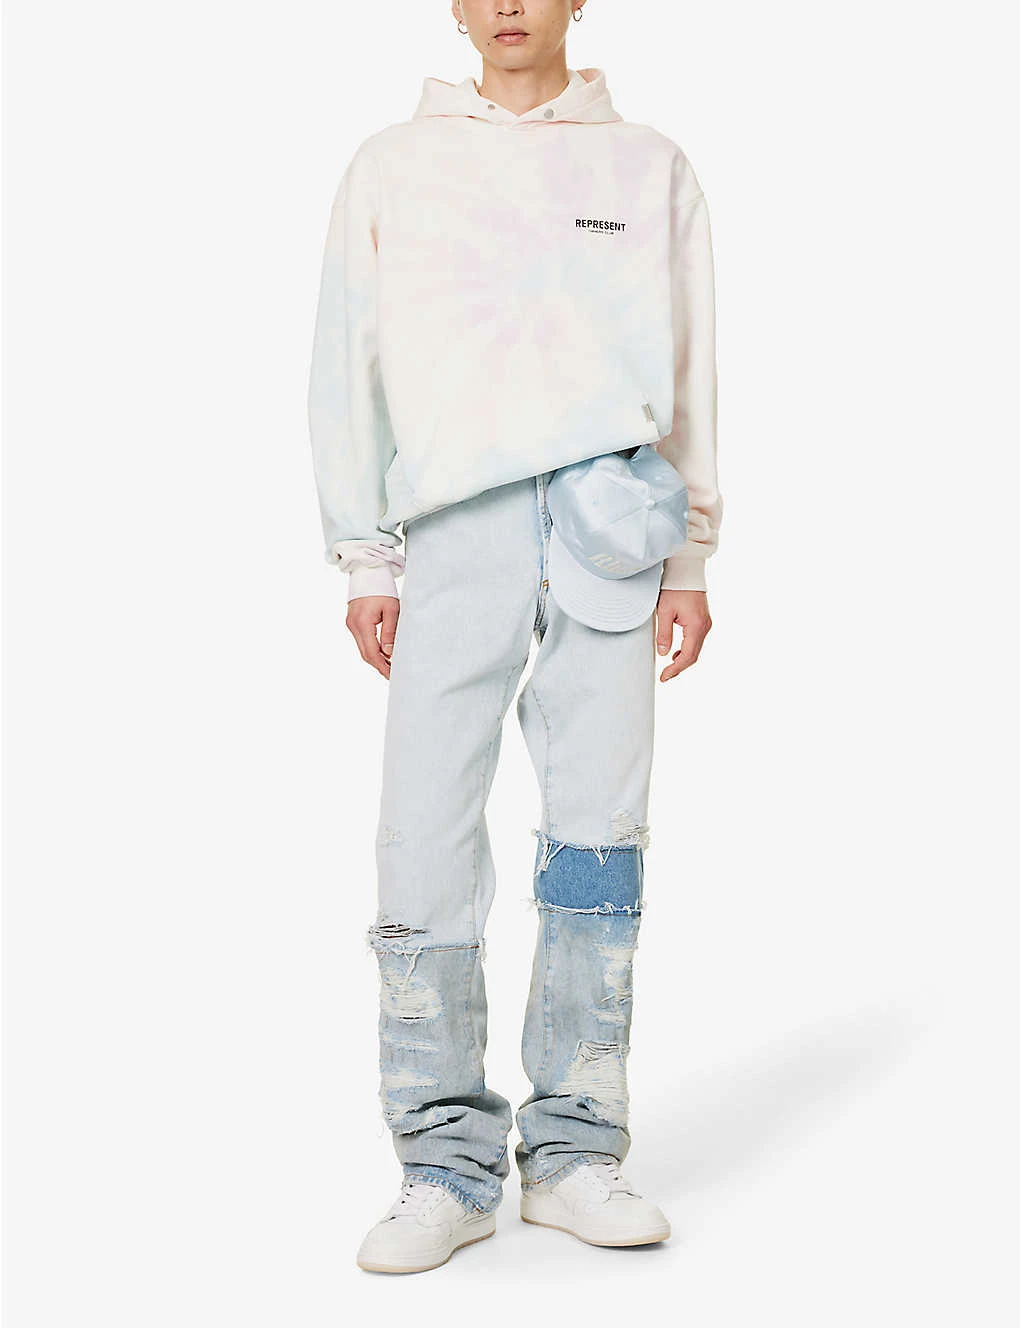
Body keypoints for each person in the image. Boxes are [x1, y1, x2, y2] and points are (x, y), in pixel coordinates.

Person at [306, 0, 723, 1274]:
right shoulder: (395, 164)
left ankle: (576, 1149)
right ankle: (441, 1161)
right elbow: (347, 362)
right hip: (454, 529)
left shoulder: (648, 164)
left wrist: (691, 552)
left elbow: (694, 366)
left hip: (613, 523)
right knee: (423, 836)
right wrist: (365, 553)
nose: (506, 7)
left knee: (599, 835)